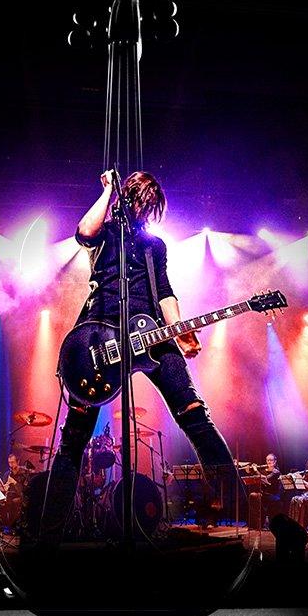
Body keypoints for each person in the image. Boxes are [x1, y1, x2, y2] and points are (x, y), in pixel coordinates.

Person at [37, 170, 242, 545]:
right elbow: (83, 232)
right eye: (142, 203)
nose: (145, 212)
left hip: (151, 335)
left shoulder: (155, 246)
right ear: (128, 198)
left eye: (151, 207)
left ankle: (239, 507)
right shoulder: (107, 233)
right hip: (99, 337)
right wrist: (107, 193)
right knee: (74, 439)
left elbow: (164, 292)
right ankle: (47, 536)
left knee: (194, 411)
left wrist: (179, 330)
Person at [246, 453, 282, 529]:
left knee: (255, 496)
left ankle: (261, 523)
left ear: (275, 461)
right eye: (267, 460)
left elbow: (265, 478)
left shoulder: (276, 472)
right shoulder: (263, 470)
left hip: (273, 494)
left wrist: (256, 470)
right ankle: (255, 523)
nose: (269, 462)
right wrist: (249, 471)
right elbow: (256, 478)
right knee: (252, 495)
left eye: (271, 460)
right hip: (264, 494)